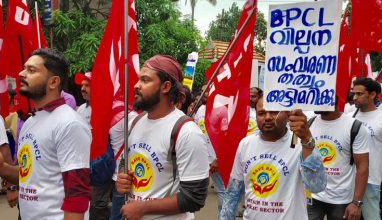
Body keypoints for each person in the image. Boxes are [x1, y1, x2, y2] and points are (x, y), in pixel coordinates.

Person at [0, 48, 91, 219]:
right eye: (24, 68)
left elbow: (77, 193)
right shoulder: (31, 122)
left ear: (53, 82)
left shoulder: (69, 123)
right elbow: (27, 175)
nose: (21, 73)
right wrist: (1, 167)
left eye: (31, 70)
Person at [116, 55, 209, 220]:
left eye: (145, 80)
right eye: (139, 79)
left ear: (165, 86)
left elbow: (194, 197)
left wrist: (143, 208)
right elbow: (126, 160)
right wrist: (123, 175)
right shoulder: (135, 122)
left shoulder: (187, 132)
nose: (137, 85)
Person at [219, 97, 327, 219]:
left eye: (274, 112)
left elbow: (317, 186)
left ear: (287, 114)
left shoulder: (300, 144)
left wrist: (307, 139)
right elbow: (233, 193)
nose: (268, 117)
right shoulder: (246, 144)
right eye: (261, 113)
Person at [74, 70, 138, 220]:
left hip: (117, 170)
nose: (83, 89)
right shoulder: (80, 110)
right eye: (82, 85)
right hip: (95, 166)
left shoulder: (118, 110)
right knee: (95, 204)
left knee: (101, 205)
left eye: (87, 85)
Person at [307, 105, 369, 220]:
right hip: (312, 197)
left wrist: (356, 203)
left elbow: (362, 167)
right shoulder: (309, 123)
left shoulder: (354, 126)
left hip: (341, 200)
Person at [352, 78, 382, 220]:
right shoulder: (349, 115)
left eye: (360, 94)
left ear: (372, 94)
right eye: (354, 93)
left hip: (371, 179)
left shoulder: (380, 117)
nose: (355, 97)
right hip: (348, 178)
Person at [194, 84, 226, 212]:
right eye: (202, 91)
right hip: (202, 159)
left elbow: (225, 137)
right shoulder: (200, 109)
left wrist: (218, 159)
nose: (203, 94)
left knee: (223, 190)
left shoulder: (222, 110)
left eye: (206, 91)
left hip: (216, 160)